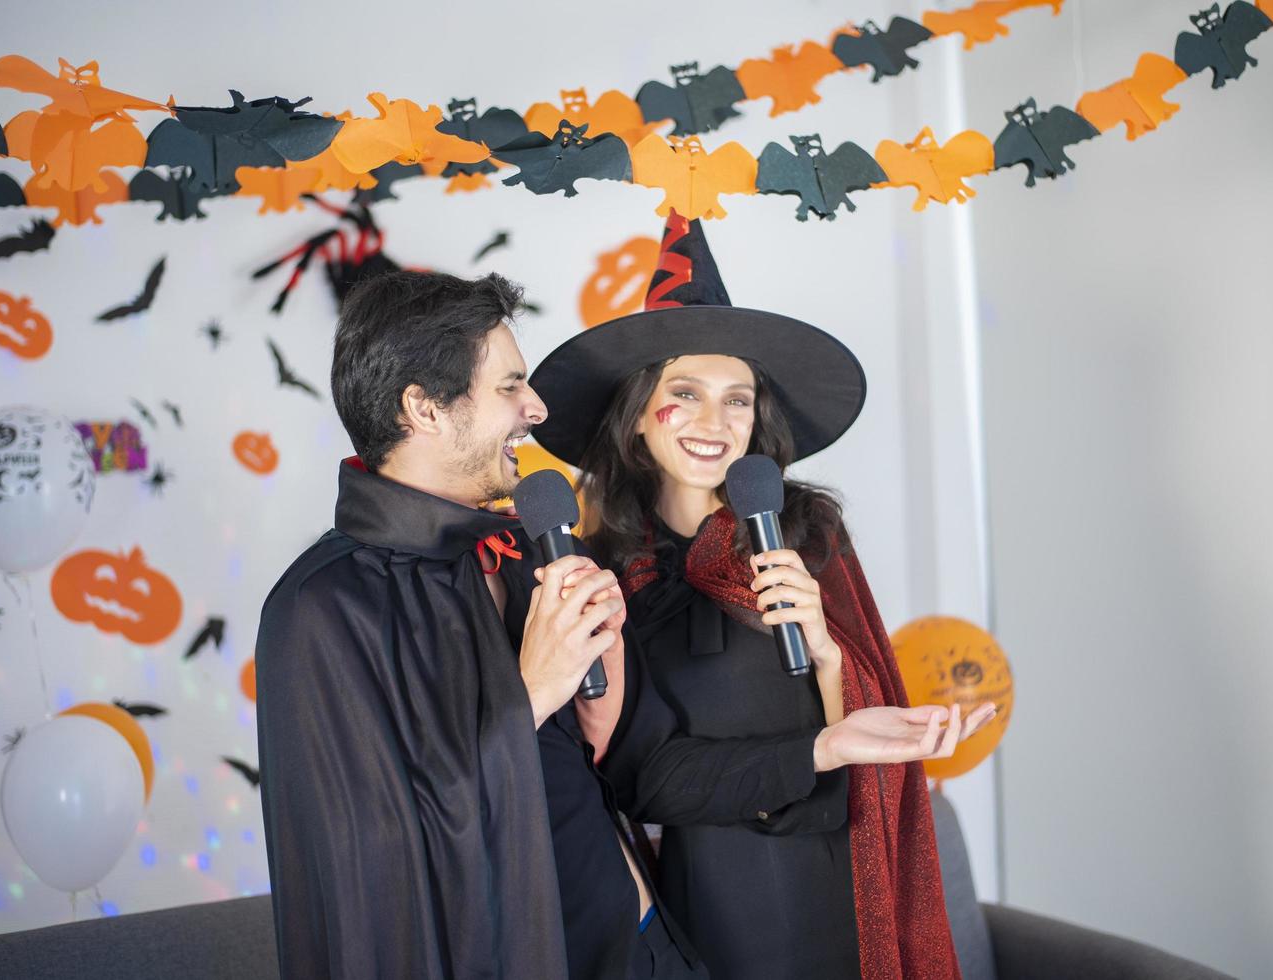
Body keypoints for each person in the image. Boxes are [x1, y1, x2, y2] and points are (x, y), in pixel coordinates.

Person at [255, 269, 986, 980]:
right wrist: (536, 692)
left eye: (739, 399)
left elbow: (621, 766)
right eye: (510, 386)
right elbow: (373, 861)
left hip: (649, 933)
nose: (533, 407)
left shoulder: (523, 558)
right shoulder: (321, 607)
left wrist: (822, 698)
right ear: (424, 408)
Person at [528, 212, 996, 980]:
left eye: (737, 398)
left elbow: (862, 709)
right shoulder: (606, 566)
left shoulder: (806, 529)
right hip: (715, 887)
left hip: (842, 865)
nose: (716, 421)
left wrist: (824, 651)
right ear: (640, 411)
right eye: (686, 392)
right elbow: (644, 778)